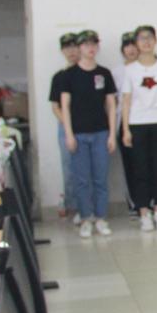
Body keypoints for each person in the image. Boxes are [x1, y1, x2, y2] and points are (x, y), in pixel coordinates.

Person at [59, 30, 117, 238]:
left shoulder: (104, 73)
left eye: (94, 44)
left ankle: (100, 218)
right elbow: (65, 107)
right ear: (79, 48)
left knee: (100, 178)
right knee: (82, 180)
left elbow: (111, 105)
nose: (90, 48)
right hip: (78, 135)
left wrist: (112, 134)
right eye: (85, 45)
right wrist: (69, 134)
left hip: (101, 133)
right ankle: (85, 218)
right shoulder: (69, 75)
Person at [121, 25, 157, 231]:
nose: (146, 42)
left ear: (155, 41)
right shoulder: (130, 70)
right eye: (142, 38)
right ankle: (143, 212)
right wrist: (126, 129)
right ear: (136, 43)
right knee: (140, 170)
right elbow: (126, 101)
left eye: (149, 37)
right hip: (136, 124)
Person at [49, 32, 81, 221]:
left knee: (91, 171)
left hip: (91, 128)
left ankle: (91, 209)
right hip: (66, 128)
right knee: (69, 169)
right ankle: (73, 206)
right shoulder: (59, 77)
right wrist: (69, 126)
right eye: (67, 47)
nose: (71, 51)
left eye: (74, 46)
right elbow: (55, 107)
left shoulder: (91, 73)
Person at [113, 30, 140, 218]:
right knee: (130, 165)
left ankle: (149, 203)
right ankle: (134, 204)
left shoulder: (149, 69)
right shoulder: (116, 72)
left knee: (146, 165)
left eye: (133, 45)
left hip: (145, 120)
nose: (131, 49)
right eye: (127, 46)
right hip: (124, 122)